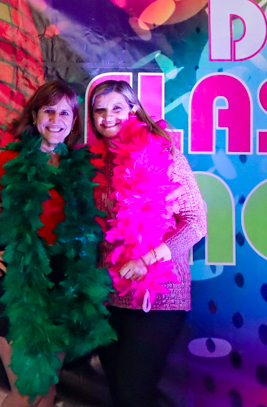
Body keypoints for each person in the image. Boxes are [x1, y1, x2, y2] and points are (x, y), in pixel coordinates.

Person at [0, 80, 115, 407]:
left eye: (64, 113)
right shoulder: (9, 163)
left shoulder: (79, 170)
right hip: (17, 286)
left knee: (46, 392)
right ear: (35, 116)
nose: (56, 119)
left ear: (74, 121)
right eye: (48, 111)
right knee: (27, 391)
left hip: (62, 287)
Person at [88, 80, 207, 407]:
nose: (108, 116)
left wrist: (148, 259)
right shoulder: (92, 163)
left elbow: (196, 221)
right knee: (120, 393)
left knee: (132, 393)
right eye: (99, 110)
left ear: (133, 110)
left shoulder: (164, 154)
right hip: (107, 295)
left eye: (116, 108)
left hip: (158, 295)